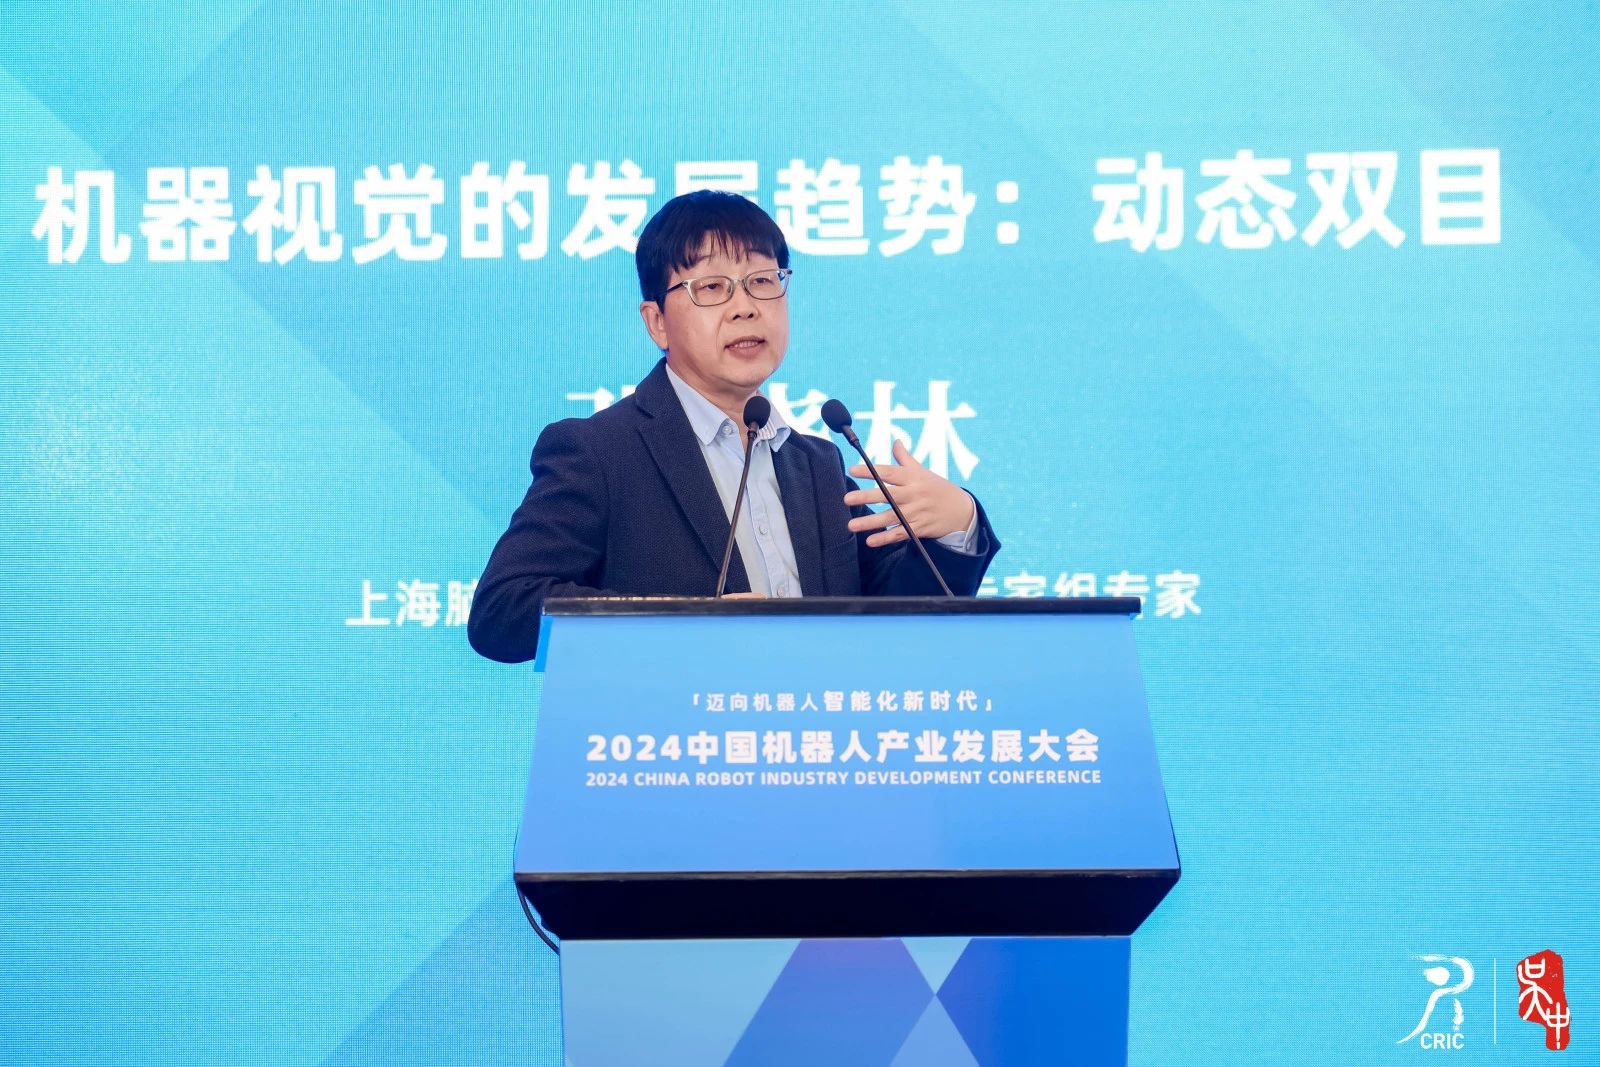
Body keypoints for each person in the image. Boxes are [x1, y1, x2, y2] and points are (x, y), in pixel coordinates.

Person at [468, 191, 1000, 664]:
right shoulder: (600, 452)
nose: (745, 308)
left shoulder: (816, 463)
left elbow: (898, 623)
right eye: (712, 287)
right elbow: (503, 610)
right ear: (657, 322)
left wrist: (959, 526)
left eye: (763, 282)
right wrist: (684, 625)